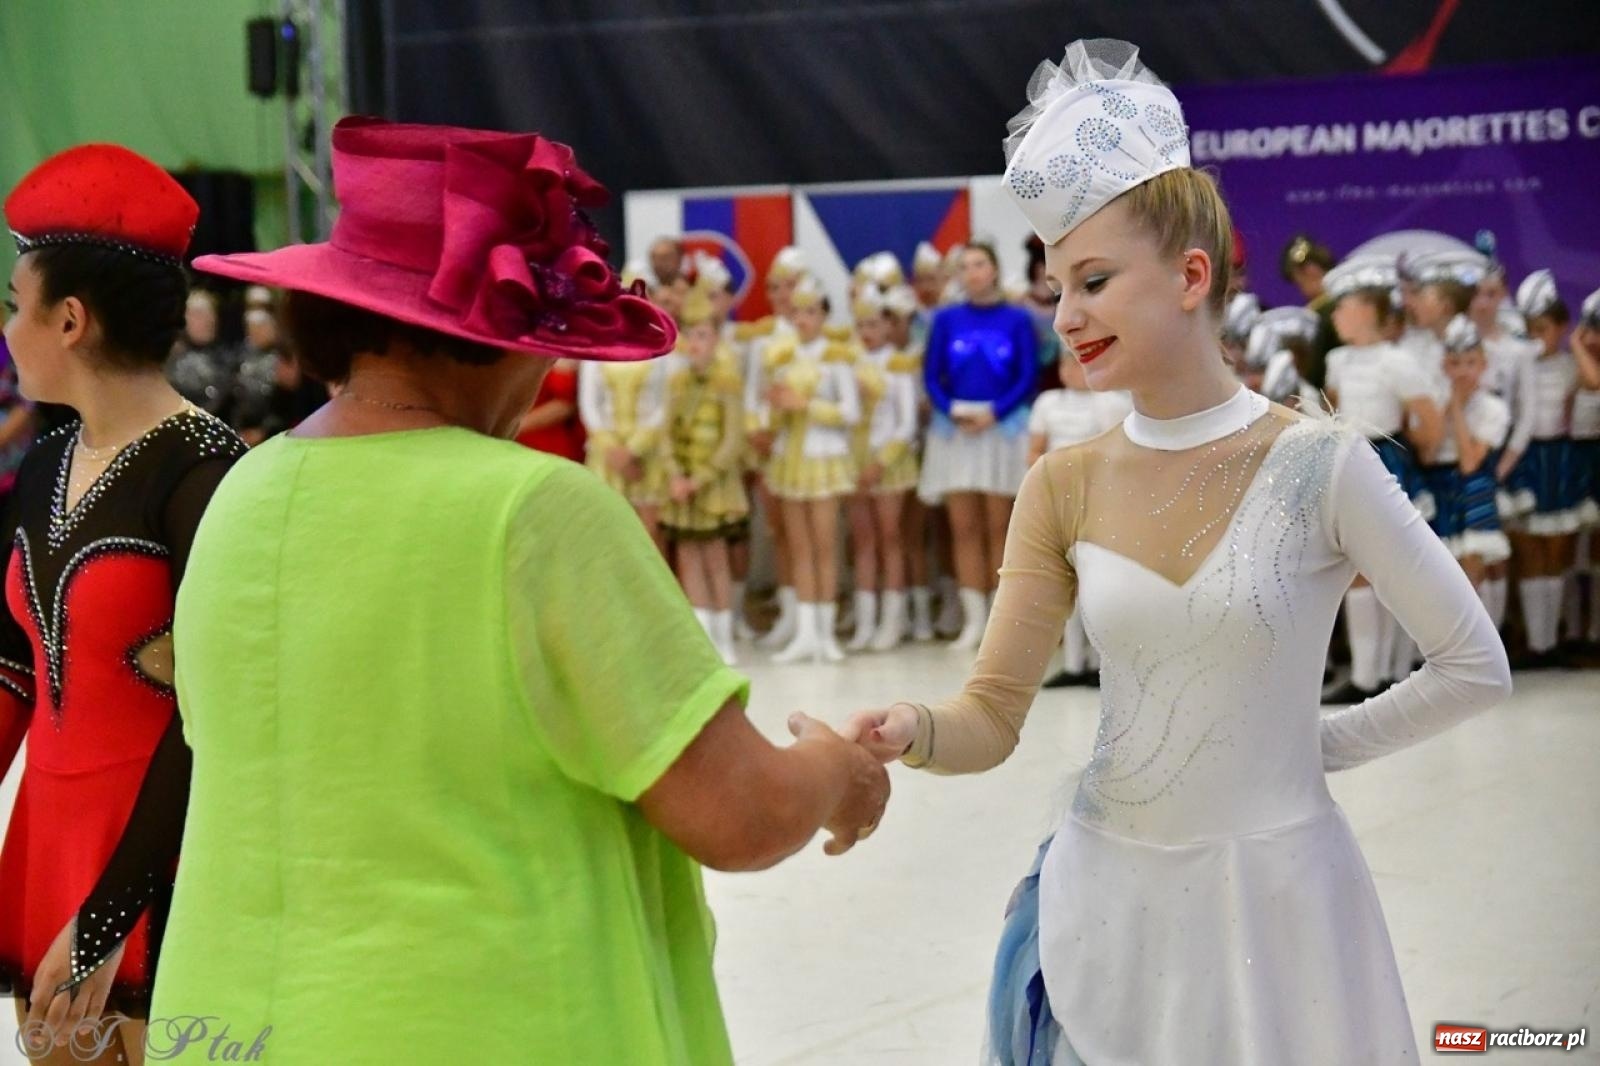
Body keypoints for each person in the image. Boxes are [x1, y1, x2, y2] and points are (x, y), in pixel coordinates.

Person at [145, 117, 888, 1065]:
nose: (547, 366)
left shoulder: (242, 494)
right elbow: (737, 813)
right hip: (490, 1018)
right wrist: (837, 773)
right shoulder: (534, 510)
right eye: (545, 335)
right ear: (489, 336)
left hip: (235, 1024)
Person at [837, 40, 1510, 1065]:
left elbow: (1473, 664)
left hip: (1280, 909)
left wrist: (1316, 743)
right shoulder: (1062, 482)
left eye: (1094, 279)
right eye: (1056, 285)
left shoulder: (1320, 462)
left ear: (1191, 274)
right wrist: (906, 727)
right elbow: (988, 716)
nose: (1066, 315)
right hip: (1107, 900)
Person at [1, 144, 248, 1064]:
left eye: (13, 308)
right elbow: (12, 664)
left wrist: (108, 920)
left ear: (69, 320)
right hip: (52, 838)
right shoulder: (43, 465)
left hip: (169, 852)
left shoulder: (207, 471)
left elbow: (212, 713)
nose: (6, 330)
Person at [1322, 254, 1444, 702]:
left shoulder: (1396, 360)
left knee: (1383, 570)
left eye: (1343, 306)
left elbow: (1428, 416)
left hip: (1385, 465)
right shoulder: (1337, 360)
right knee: (1353, 567)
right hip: (1348, 463)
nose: (1335, 315)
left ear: (1368, 310)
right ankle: (1367, 672)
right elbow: (1335, 409)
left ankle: (1384, 670)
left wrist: (1422, 455)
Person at [918, 243, 1038, 649]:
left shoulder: (1018, 319)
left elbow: (1027, 375)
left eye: (979, 264)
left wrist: (996, 412)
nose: (972, 272)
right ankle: (974, 620)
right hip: (956, 430)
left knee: (1000, 527)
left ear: (995, 269)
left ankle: (1002, 622)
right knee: (963, 528)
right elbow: (931, 374)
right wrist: (950, 409)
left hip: (1001, 428)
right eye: (964, 266)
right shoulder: (946, 319)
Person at [760, 276, 861, 663]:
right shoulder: (781, 356)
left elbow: (850, 412)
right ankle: (805, 631)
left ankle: (826, 631)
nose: (803, 318)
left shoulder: (836, 356)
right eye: (798, 311)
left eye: (811, 311)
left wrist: (805, 405)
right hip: (790, 455)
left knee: (824, 544)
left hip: (824, 455)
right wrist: (775, 406)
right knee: (798, 546)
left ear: (824, 315)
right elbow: (772, 410)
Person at [1026, 350, 1130, 689]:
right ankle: (1072, 661)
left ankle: (1101, 662)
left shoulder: (1111, 402)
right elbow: (1035, 449)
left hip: (1098, 498)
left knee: (1097, 581)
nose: (1072, 370)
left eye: (1078, 363)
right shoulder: (1047, 402)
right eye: (1066, 364)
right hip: (1058, 497)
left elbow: (1115, 453)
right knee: (1066, 580)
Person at [661, 285, 749, 664]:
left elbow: (732, 439)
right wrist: (674, 475)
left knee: (714, 557)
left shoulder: (727, 381)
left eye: (703, 335)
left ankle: (725, 636)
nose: (695, 342)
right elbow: (665, 433)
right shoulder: (676, 382)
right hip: (681, 484)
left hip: (712, 485)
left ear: (716, 339)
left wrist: (699, 479)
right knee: (690, 556)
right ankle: (705, 638)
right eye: (690, 334)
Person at [1499, 270, 1580, 665]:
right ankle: (1534, 644)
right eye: (1530, 329)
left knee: (1556, 550)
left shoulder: (1571, 366)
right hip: (1528, 460)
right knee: (1529, 549)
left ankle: (1552, 640)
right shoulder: (1520, 365)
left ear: (1562, 327)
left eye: (1545, 328)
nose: (1536, 338)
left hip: (1561, 460)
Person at [845, 285, 920, 652]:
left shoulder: (898, 365)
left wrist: (881, 463)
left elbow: (906, 425)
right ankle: (864, 622)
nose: (867, 332)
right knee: (863, 541)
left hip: (889, 463)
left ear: (889, 325)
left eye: (874, 324)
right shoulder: (849, 363)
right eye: (861, 324)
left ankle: (893, 620)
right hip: (856, 462)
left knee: (891, 539)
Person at [1428, 315, 1513, 596]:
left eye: (1470, 363)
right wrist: (1446, 407)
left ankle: (1487, 637)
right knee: (1440, 573)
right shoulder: (1435, 405)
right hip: (1439, 485)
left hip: (1474, 486)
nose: (1463, 372)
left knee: (1473, 567)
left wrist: (1456, 409)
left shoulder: (1494, 408)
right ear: (1444, 365)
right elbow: (1427, 455)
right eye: (1455, 363)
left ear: (1483, 364)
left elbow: (1469, 462)